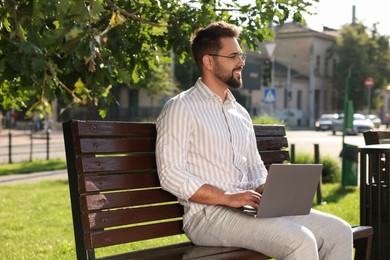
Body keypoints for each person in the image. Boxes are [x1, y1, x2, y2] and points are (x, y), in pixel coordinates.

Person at [156, 21, 352, 259]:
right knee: (300, 241)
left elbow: (255, 167)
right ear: (209, 61)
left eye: (241, 55)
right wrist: (227, 198)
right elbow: (170, 172)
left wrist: (267, 190)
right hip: (208, 216)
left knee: (339, 231)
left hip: (249, 210)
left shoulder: (239, 112)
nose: (242, 62)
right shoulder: (180, 107)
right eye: (233, 56)